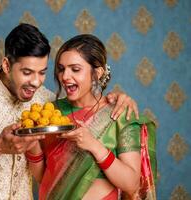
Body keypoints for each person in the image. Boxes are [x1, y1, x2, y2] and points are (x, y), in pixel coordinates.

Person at [0, 24, 140, 200]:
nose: (36, 82)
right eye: (27, 72)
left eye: (42, 73)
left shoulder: (48, 102)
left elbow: (51, 173)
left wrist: (120, 97)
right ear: (6, 64)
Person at [26, 34, 157, 200]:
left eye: (75, 69)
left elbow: (131, 184)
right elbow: (45, 178)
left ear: (97, 72)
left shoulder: (119, 114)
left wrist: (93, 145)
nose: (65, 77)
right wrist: (32, 147)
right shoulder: (52, 113)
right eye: (61, 69)